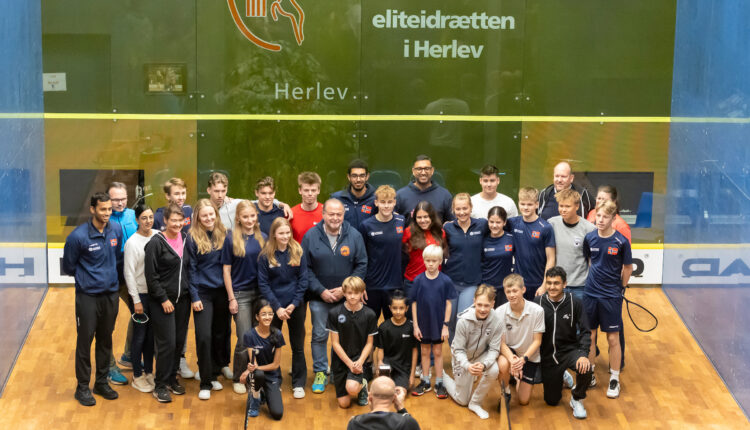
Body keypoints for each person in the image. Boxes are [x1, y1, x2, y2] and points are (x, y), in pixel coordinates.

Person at [63, 192, 123, 406]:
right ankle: (82, 388)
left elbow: (117, 259)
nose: (107, 213)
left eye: (109, 209)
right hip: (87, 298)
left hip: (110, 296)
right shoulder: (77, 237)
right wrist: (88, 280)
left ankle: (101, 382)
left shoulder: (116, 229)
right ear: (92, 210)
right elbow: (69, 267)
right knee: (85, 342)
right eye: (103, 209)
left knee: (106, 340)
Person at [301, 198, 367, 394]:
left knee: (343, 337)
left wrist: (345, 289)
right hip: (319, 297)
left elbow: (361, 264)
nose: (335, 217)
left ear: (343, 215)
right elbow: (305, 268)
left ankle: (338, 371)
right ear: (323, 214)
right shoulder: (310, 236)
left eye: (339, 214)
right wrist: (321, 290)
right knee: (320, 335)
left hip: (346, 298)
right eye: (331, 214)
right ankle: (321, 371)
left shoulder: (354, 235)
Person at [582, 201, 633, 399]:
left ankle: (614, 377)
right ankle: (590, 373)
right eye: (598, 217)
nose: (600, 220)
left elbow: (628, 268)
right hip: (590, 294)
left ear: (613, 219)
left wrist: (620, 288)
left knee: (613, 338)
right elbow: (590, 261)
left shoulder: (621, 242)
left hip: (611, 296)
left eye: (604, 217)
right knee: (590, 337)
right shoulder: (590, 238)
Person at [144, 203, 191, 403]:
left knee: (179, 343)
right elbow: (151, 276)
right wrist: (163, 299)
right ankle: (160, 384)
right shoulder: (156, 243)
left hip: (183, 301)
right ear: (165, 220)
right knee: (167, 344)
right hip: (162, 302)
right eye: (173, 220)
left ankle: (172, 378)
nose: (178, 224)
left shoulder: (187, 239)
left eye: (180, 220)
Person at [186, 199, 233, 400]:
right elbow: (191, 270)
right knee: (204, 336)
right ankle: (205, 382)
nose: (208, 218)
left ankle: (215, 372)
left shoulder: (226, 234)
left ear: (216, 214)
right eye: (204, 215)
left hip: (222, 292)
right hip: (202, 294)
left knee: (220, 334)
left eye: (211, 214)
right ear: (197, 217)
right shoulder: (191, 237)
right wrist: (194, 296)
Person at [258, 217, 308, 399]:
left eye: (288, 232)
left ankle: (298, 383)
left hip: (295, 307)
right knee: (273, 346)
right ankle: (274, 381)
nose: (285, 236)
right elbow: (263, 284)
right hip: (274, 308)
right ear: (274, 234)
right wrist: (277, 308)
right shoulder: (265, 255)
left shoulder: (298, 251)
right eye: (281, 233)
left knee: (298, 346)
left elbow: (303, 281)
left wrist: (293, 304)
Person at [535, 267, 593, 419]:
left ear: (565, 284)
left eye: (556, 283)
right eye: (549, 283)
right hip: (548, 356)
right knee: (552, 401)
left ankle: (577, 398)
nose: (552, 287)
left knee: (586, 368)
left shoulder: (575, 303)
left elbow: (586, 331)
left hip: (569, 351)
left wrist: (583, 354)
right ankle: (563, 375)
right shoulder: (537, 303)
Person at [222, 200, 266, 394]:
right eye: (245, 217)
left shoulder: (263, 237)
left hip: (261, 294)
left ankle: (258, 375)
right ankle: (239, 377)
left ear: (256, 216)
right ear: (238, 218)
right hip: (240, 294)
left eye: (252, 216)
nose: (249, 220)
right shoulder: (231, 239)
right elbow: (226, 271)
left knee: (261, 338)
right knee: (243, 338)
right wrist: (231, 298)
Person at [443, 285, 503, 420]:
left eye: (486, 305)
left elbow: (494, 349)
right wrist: (467, 366)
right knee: (462, 400)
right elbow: (458, 350)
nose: (482, 309)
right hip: (462, 359)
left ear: (493, 304)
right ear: (474, 301)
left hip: (481, 356)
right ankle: (443, 377)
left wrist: (484, 365)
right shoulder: (463, 321)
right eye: (479, 304)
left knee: (493, 369)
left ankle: (475, 403)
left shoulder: (497, 321)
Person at [410, 244, 456, 399]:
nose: (430, 264)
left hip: (438, 324)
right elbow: (414, 303)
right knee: (424, 351)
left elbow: (449, 304)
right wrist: (416, 325)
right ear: (424, 260)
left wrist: (445, 326)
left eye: (434, 261)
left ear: (440, 262)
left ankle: (440, 382)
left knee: (437, 352)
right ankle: (425, 381)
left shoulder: (445, 280)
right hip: (423, 324)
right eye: (428, 260)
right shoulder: (418, 280)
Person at [327, 276, 378, 408]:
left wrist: (359, 362)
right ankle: (352, 382)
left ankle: (362, 385)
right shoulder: (334, 313)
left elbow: (369, 344)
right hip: (341, 360)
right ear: (343, 293)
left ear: (362, 293)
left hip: (358, 359)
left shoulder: (370, 314)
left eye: (356, 293)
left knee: (352, 388)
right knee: (344, 404)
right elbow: (335, 344)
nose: (353, 296)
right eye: (349, 293)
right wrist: (350, 364)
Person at [443, 193, 488, 340]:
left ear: (471, 208)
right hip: (451, 282)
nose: (462, 212)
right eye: (458, 209)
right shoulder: (448, 228)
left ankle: (464, 357)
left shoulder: (482, 225)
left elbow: (500, 226)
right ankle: (456, 357)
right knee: (450, 321)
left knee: (464, 321)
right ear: (453, 210)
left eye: (465, 208)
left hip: (472, 282)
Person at [496, 274, 545, 407]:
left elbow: (537, 341)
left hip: (528, 356)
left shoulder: (537, 311)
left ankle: (517, 377)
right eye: (508, 291)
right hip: (510, 352)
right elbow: (501, 343)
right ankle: (505, 392)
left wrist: (522, 360)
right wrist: (513, 360)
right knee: (502, 364)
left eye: (515, 291)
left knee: (523, 401)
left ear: (523, 290)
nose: (512, 295)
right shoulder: (499, 312)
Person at [123, 204, 157, 393]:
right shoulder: (132, 243)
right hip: (140, 297)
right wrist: (136, 300)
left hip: (155, 296)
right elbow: (129, 274)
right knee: (140, 336)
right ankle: (137, 375)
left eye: (150, 217)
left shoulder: (158, 235)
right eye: (144, 218)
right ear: (137, 220)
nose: (148, 221)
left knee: (151, 337)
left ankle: (149, 372)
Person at [359, 185, 405, 320]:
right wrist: (362, 283)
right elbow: (361, 256)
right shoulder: (366, 225)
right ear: (376, 202)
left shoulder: (401, 221)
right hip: (372, 286)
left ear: (395, 203)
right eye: (383, 202)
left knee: (393, 327)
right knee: (369, 327)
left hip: (395, 286)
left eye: (390, 202)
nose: (386, 206)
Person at [107, 182, 136, 382]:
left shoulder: (133, 215)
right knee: (107, 324)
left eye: (123, 198)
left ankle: (129, 355)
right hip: (109, 280)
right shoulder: (104, 218)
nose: (120, 203)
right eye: (116, 199)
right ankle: (108, 367)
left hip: (130, 277)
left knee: (140, 314)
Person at [506, 187, 556, 299]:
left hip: (538, 284)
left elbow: (551, 258)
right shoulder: (512, 223)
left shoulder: (546, 227)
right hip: (518, 284)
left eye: (529, 204)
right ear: (518, 204)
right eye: (523, 204)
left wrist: (544, 285)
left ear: (536, 204)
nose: (525, 207)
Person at [240, 299, 285, 421]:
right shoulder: (249, 335)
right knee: (258, 374)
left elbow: (276, 365)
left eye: (270, 314)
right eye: (263, 314)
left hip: (272, 375)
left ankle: (264, 393)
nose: (267, 317)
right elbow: (254, 363)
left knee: (277, 414)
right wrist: (252, 371)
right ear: (257, 317)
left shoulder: (278, 334)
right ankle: (255, 399)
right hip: (257, 375)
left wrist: (248, 370)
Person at [548, 189, 596, 300]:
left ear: (577, 206)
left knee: (580, 317)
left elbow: (591, 260)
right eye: (561, 206)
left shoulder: (589, 229)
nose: (563, 210)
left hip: (580, 287)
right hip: (556, 285)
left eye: (567, 206)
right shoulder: (551, 223)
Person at [208, 171, 291, 229]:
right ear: (208, 190)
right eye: (216, 191)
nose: (220, 195)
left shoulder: (233, 204)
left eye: (223, 191)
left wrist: (282, 204)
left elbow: (260, 201)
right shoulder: (202, 209)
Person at [401, 201, 447, 299]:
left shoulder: (440, 233)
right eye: (419, 217)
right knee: (413, 313)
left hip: (435, 282)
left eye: (426, 217)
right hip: (413, 282)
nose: (422, 220)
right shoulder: (408, 232)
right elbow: (401, 255)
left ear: (432, 216)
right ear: (415, 218)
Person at [374, 291, 418, 391]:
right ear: (390, 308)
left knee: (399, 393)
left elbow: (414, 351)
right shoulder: (383, 327)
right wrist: (379, 364)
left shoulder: (411, 328)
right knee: (384, 391)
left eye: (401, 308)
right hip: (387, 366)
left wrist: (412, 375)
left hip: (404, 369)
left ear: (407, 308)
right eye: (395, 308)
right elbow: (380, 349)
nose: (398, 311)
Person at [395, 155, 454, 224]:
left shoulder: (445, 195)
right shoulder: (400, 195)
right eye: (419, 169)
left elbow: (451, 226)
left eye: (427, 168)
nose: (423, 172)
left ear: (432, 170)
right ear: (413, 171)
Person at [346, 377, 421, 430]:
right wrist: (401, 407)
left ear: (369, 398)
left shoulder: (354, 423)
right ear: (394, 399)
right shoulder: (407, 422)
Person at [481, 206, 514, 307]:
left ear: (504, 222)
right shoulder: (483, 239)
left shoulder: (511, 238)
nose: (494, 225)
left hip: (505, 288)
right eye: (491, 222)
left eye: (498, 222)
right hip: (486, 288)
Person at [331, 159, 377, 231]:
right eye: (354, 176)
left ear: (367, 176)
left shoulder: (375, 199)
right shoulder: (336, 199)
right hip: (344, 242)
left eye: (362, 176)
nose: (358, 180)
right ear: (349, 177)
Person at [290, 171, 323, 243]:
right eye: (306, 190)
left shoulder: (326, 212)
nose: (310, 194)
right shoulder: (291, 214)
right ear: (300, 191)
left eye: (313, 190)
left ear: (318, 191)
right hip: (299, 253)